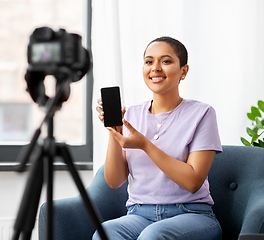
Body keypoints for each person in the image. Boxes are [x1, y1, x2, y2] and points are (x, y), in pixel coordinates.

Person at [94, 36, 223, 240]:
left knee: (154, 236)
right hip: (139, 214)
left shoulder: (203, 113)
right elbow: (114, 180)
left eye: (166, 61)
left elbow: (193, 181)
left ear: (184, 71)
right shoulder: (131, 115)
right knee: (106, 233)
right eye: (149, 61)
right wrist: (115, 132)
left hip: (191, 214)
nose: (155, 68)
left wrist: (145, 145)